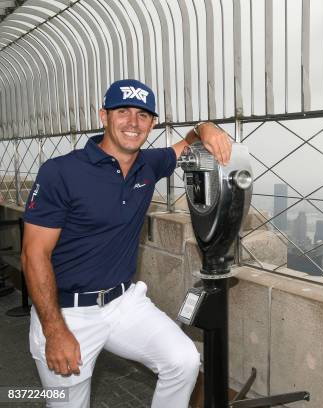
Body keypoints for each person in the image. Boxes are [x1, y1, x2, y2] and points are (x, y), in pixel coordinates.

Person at [21, 79, 232, 408]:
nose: (133, 122)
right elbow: (34, 253)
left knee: (183, 361)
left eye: (143, 115)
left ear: (152, 123)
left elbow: (186, 144)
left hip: (123, 303)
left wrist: (207, 128)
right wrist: (54, 330)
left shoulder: (149, 165)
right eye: (123, 112)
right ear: (103, 116)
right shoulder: (60, 172)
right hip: (68, 312)